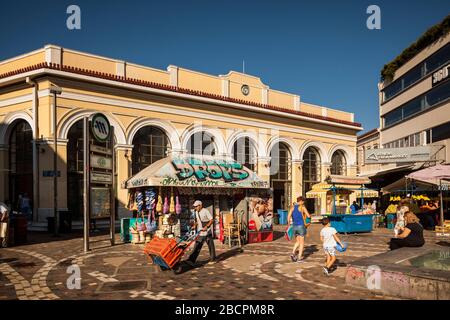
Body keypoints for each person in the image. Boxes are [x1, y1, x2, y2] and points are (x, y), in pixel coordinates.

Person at [186, 200, 216, 266]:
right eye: (195, 206)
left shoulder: (205, 211)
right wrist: (194, 226)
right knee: (197, 245)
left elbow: (211, 220)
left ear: (200, 205)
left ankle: (213, 259)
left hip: (207, 232)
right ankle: (191, 260)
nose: (195, 208)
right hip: (200, 232)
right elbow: (197, 221)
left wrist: (207, 226)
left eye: (196, 206)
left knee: (211, 246)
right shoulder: (196, 212)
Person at [287, 196, 311, 263]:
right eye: (303, 201)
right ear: (301, 201)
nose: (303, 203)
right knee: (302, 243)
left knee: (297, 241)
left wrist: (289, 224)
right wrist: (308, 218)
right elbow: (308, 216)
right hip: (301, 226)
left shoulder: (293, 207)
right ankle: (299, 258)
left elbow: (288, 216)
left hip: (294, 226)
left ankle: (293, 253)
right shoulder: (302, 207)